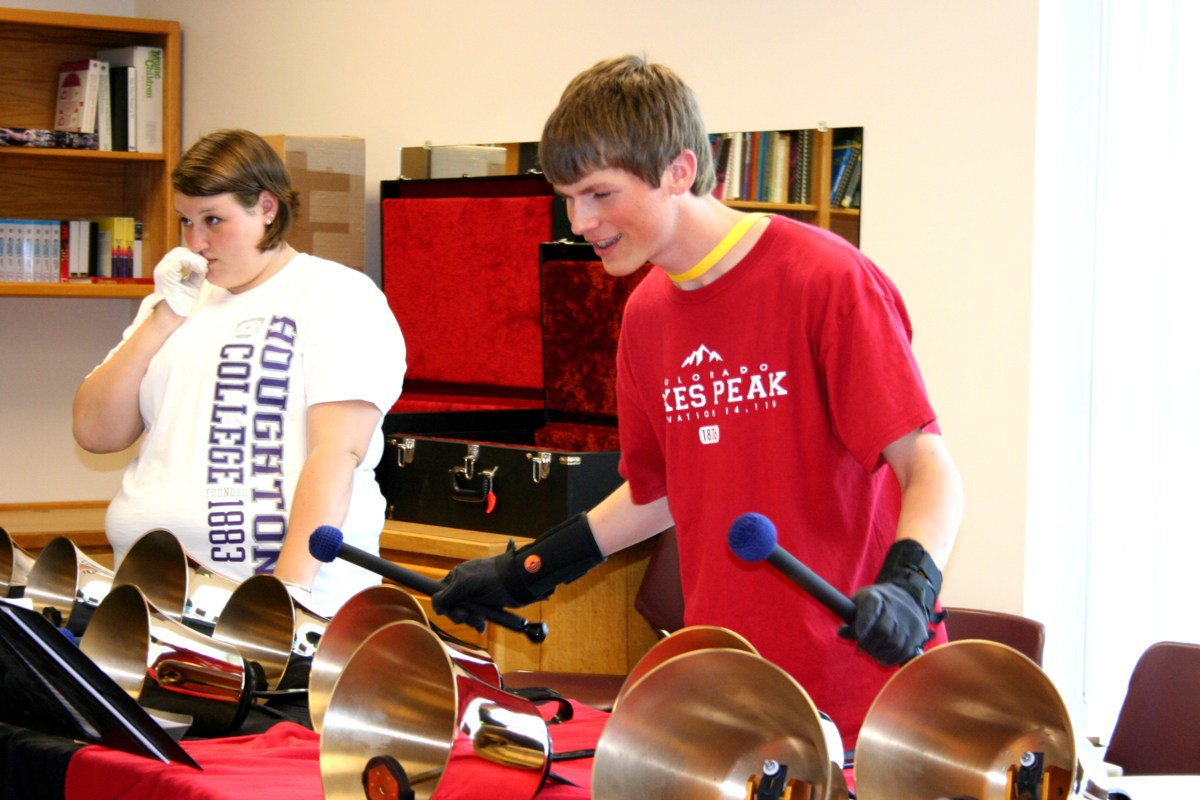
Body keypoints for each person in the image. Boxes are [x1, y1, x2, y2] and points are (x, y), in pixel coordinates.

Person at [431, 55, 963, 749]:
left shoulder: (826, 279)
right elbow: (657, 494)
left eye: (599, 193)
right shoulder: (647, 315)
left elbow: (928, 466)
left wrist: (910, 585)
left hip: (860, 696)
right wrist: (525, 570)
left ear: (680, 170)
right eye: (568, 197)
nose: (580, 220)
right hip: (729, 691)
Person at [73, 129, 406, 617]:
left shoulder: (336, 294)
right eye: (186, 221)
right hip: (154, 591)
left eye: (213, 220)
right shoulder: (174, 303)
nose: (196, 242)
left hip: (279, 597)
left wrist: (288, 592)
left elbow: (337, 451)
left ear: (266, 207)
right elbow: (95, 432)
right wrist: (163, 317)